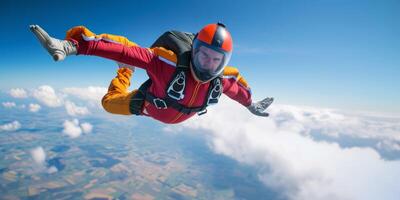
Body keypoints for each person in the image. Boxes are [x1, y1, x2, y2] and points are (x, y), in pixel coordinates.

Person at [29, 23, 273, 124]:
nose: (208, 65)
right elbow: (121, 50)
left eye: (216, 60)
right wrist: (73, 46)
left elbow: (238, 90)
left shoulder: (222, 80)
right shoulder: (166, 63)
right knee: (108, 102)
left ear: (224, 62)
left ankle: (126, 68)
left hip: (164, 110)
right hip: (145, 104)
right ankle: (125, 73)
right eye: (203, 56)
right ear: (194, 51)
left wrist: (251, 104)